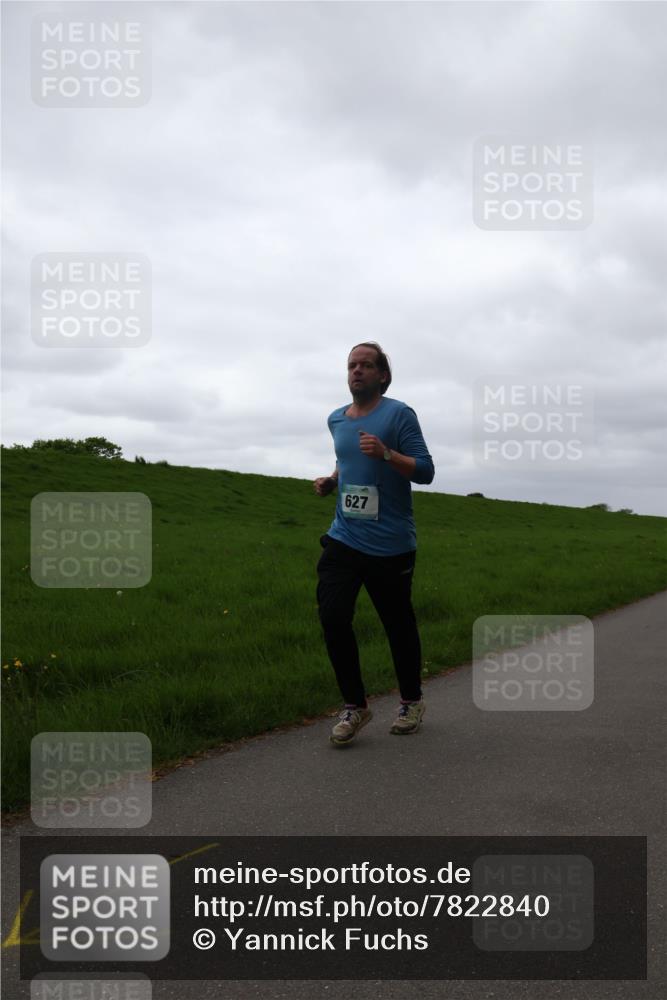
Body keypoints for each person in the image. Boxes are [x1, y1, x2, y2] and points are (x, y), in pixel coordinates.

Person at [313, 342, 435, 746]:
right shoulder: (336, 420)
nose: (357, 371)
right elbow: (347, 462)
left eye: (366, 365)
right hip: (344, 537)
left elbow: (426, 471)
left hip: (391, 545)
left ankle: (411, 701)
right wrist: (333, 480)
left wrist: (386, 454)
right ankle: (355, 705)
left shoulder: (398, 414)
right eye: (352, 365)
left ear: (383, 375)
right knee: (332, 617)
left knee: (397, 625)